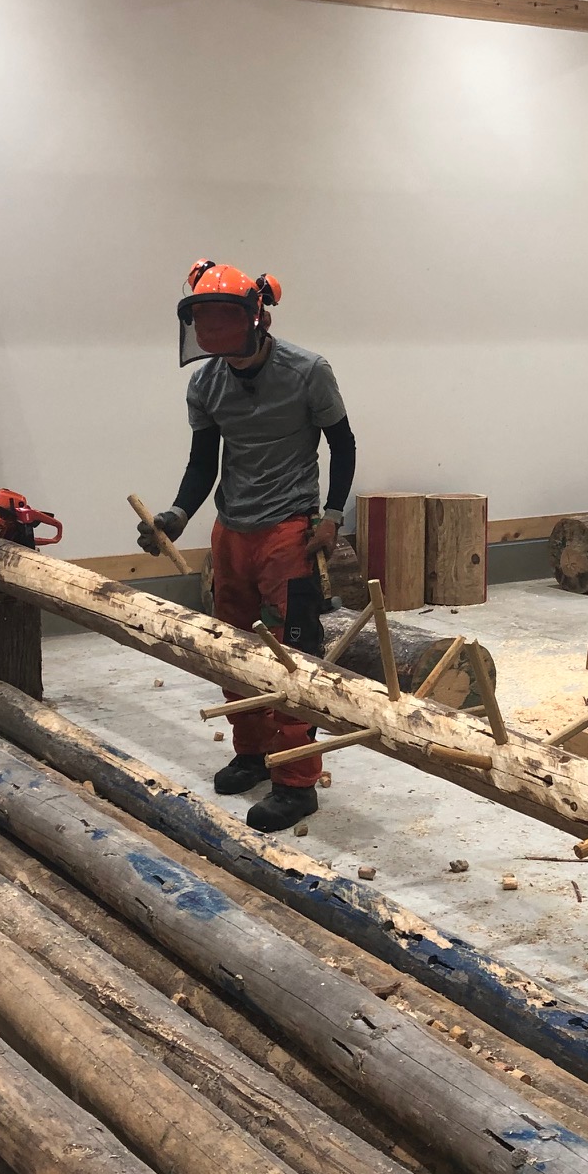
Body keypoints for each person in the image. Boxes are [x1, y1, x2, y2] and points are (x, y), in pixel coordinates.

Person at [138, 259, 356, 832]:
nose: (214, 333)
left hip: (289, 529)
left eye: (224, 320)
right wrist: (177, 515)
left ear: (256, 318)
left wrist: (333, 515)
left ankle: (297, 781)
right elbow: (202, 463)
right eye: (206, 322)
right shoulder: (206, 382)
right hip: (231, 529)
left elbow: (343, 444)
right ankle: (252, 752)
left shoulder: (308, 371)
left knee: (292, 654)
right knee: (231, 648)